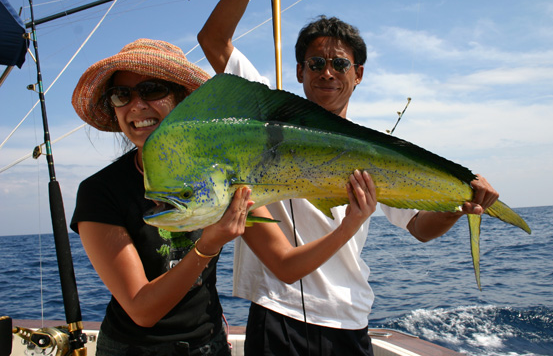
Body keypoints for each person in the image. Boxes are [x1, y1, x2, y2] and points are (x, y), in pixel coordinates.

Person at [197, 0, 500, 355]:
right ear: (300, 72)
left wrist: (459, 208)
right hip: (277, 313)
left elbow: (420, 228)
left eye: (340, 64)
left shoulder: (376, 151)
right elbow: (214, 39)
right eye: (316, 64)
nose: (327, 73)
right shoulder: (266, 117)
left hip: (350, 318)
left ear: (358, 74)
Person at [70, 38, 376, 356]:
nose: (136, 106)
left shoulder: (223, 173)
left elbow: (285, 266)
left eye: (152, 90)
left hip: (210, 344)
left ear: (181, 101)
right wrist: (208, 244)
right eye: (122, 95)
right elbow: (142, 310)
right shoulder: (99, 191)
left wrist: (349, 225)